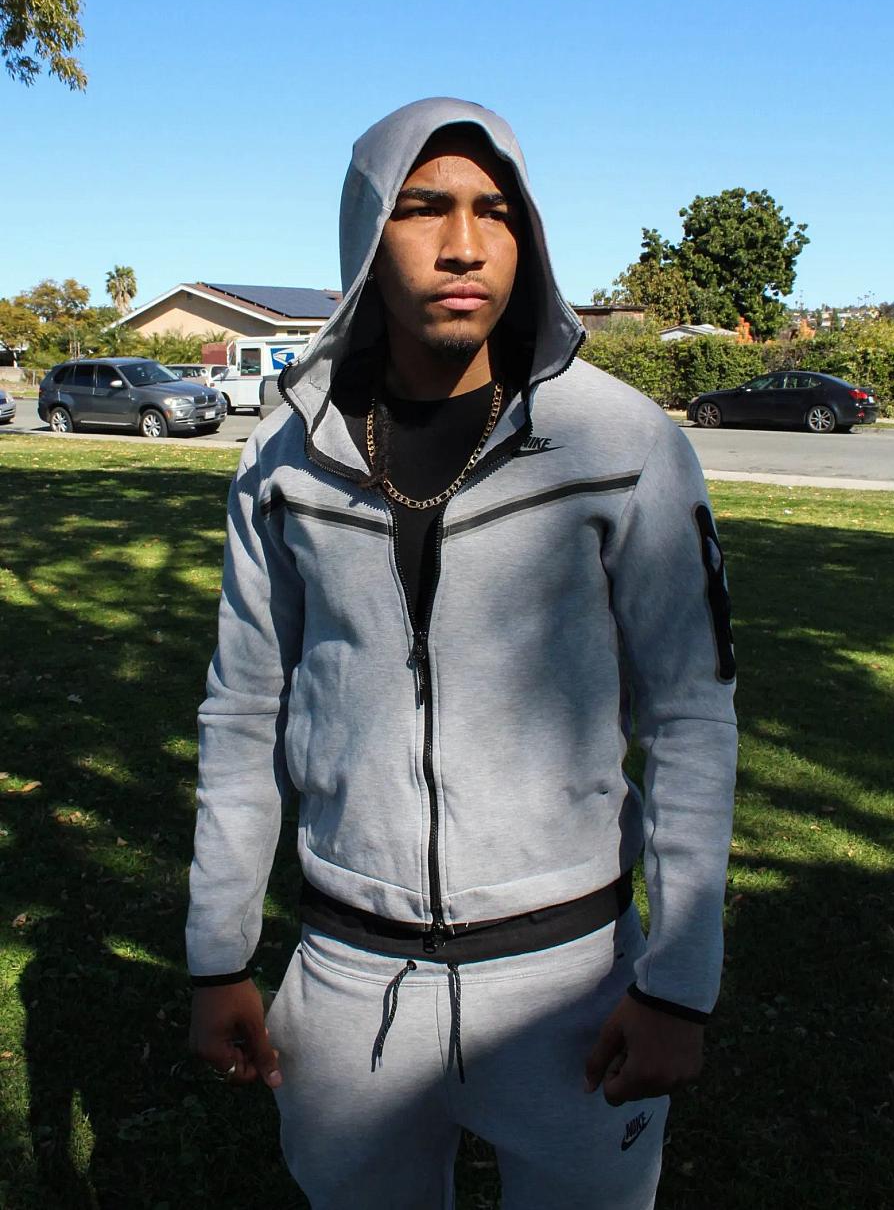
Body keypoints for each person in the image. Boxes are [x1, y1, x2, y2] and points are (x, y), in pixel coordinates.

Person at [187, 97, 738, 1209]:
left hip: (571, 987)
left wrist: (677, 983)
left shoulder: (623, 443)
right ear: (363, 240)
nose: (463, 244)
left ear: (526, 236)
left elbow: (690, 715)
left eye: (496, 211)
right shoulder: (283, 460)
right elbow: (244, 711)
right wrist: (217, 954)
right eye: (422, 208)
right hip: (346, 984)